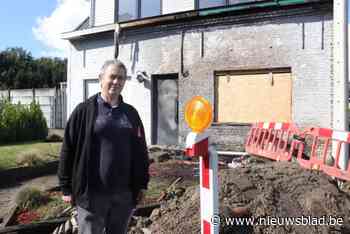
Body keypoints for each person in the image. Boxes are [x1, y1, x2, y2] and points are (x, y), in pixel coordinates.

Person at [58, 59, 149, 234]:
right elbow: (68, 148)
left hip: (123, 195)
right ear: (101, 79)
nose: (116, 82)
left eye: (121, 78)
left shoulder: (130, 114)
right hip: (92, 194)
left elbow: (140, 151)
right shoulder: (84, 111)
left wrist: (142, 183)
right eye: (112, 77)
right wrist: (66, 187)